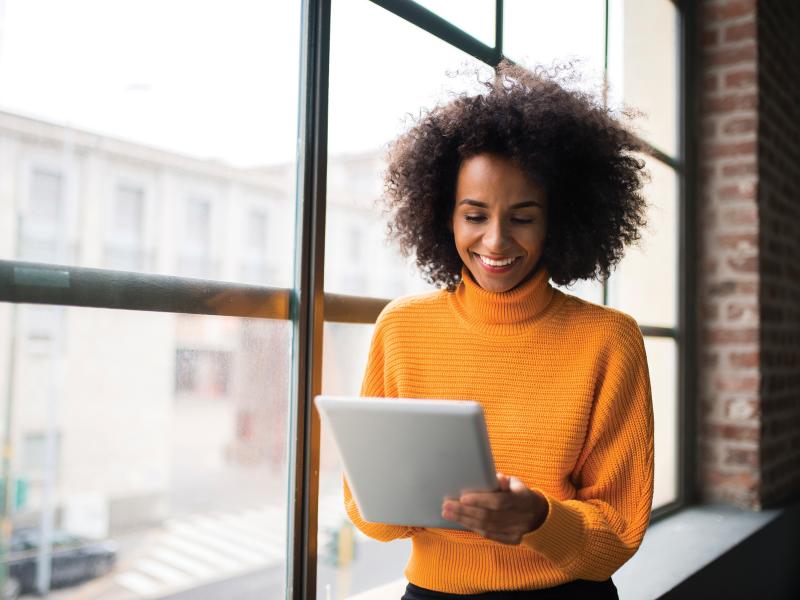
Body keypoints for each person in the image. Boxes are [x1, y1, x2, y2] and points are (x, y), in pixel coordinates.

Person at [344, 62, 654, 599]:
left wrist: (539, 519)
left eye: (523, 217)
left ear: (560, 219)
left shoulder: (608, 340)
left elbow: (618, 536)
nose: (495, 241)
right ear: (443, 216)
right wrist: (403, 502)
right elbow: (370, 518)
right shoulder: (402, 328)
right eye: (474, 215)